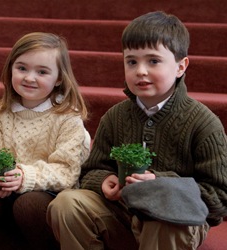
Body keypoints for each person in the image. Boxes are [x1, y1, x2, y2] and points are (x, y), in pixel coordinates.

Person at [47, 11, 227, 250]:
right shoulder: (115, 117)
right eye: (132, 61)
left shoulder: (204, 124)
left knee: (163, 218)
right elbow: (91, 171)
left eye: (153, 61)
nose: (140, 70)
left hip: (174, 223)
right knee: (67, 203)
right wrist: (104, 181)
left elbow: (219, 199)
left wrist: (160, 184)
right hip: (122, 212)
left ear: (181, 66)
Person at [0, 32, 91, 250]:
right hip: (5, 190)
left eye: (42, 71)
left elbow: (67, 171)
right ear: (10, 69)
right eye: (22, 68)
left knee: (28, 204)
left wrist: (24, 177)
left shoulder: (68, 118)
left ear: (59, 78)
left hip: (47, 192)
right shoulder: (2, 116)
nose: (29, 78)